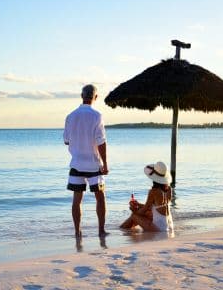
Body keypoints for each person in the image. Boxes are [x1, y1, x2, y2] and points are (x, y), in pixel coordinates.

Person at [63, 84, 109, 238]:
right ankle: (101, 230)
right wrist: (105, 164)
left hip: (76, 163)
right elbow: (101, 142)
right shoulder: (97, 116)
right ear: (95, 97)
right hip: (93, 163)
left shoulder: (70, 116)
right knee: (100, 197)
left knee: (77, 199)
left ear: (81, 96)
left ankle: (77, 232)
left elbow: (67, 141)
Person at [120, 161, 174, 232]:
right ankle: (124, 229)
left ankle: (121, 230)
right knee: (145, 214)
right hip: (169, 225)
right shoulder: (169, 189)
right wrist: (138, 204)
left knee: (134, 216)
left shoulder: (153, 191)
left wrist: (134, 211)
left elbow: (145, 209)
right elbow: (155, 207)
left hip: (159, 228)